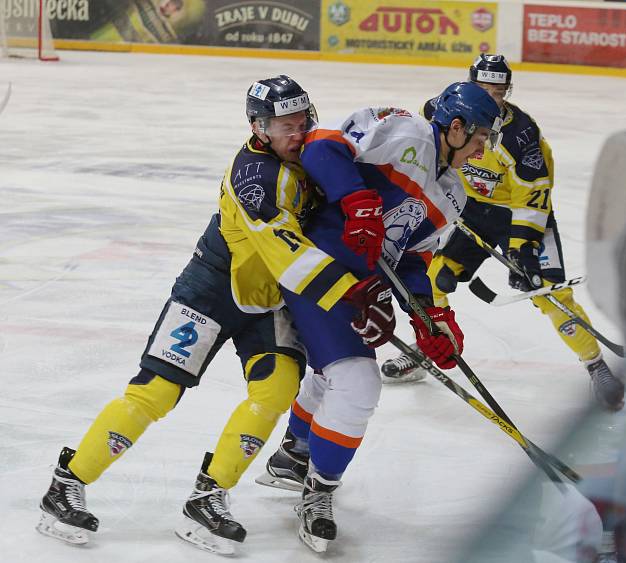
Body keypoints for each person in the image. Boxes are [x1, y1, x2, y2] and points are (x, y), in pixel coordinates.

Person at [36, 75, 391, 555]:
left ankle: (208, 497)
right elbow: (286, 252)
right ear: (258, 127)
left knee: (277, 388)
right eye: (285, 123)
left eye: (303, 118)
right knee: (156, 392)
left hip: (266, 299)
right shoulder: (255, 176)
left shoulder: (307, 155)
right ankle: (66, 484)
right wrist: (354, 292)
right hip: (210, 291)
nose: (299, 130)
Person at [257, 82, 502, 553]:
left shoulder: (453, 195)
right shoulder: (405, 131)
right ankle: (319, 490)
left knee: (334, 375)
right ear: (455, 128)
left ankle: (294, 455)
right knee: (357, 381)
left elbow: (409, 260)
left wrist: (430, 317)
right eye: (479, 139)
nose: (481, 150)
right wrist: (357, 199)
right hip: (318, 266)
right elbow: (322, 147)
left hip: (361, 287)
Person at [381, 54, 625, 411]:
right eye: (484, 90)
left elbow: (534, 192)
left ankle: (595, 364)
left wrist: (522, 246)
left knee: (546, 292)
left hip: (522, 212)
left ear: (507, 92)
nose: (491, 100)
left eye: (498, 92)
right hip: (474, 208)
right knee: (434, 278)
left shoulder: (519, 133)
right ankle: (430, 343)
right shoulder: (446, 110)